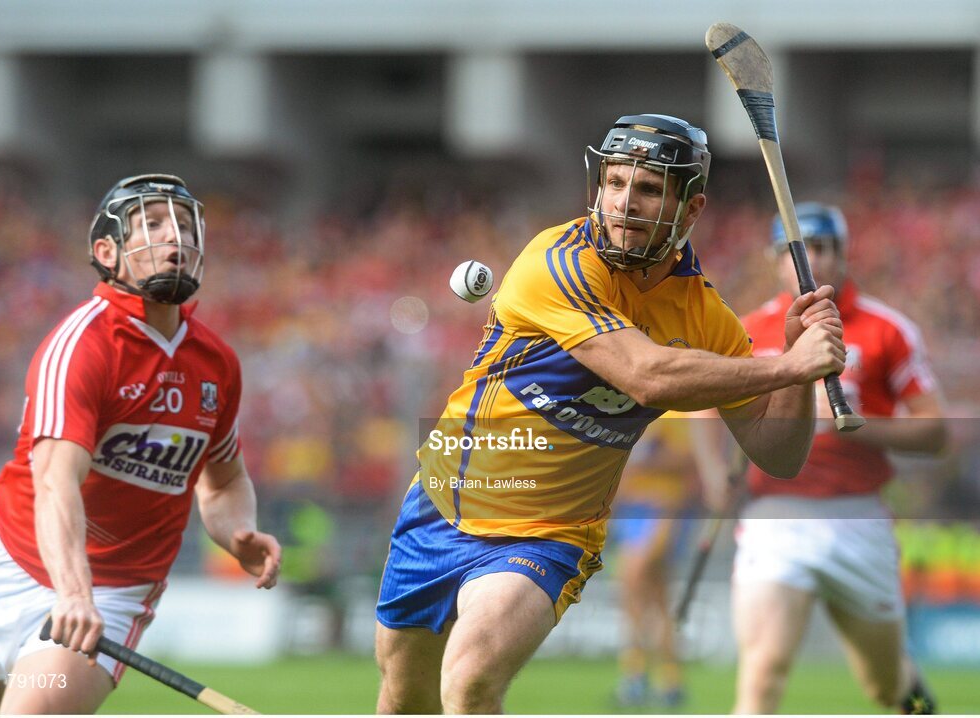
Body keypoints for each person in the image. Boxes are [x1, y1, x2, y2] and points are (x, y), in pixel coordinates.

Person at [373, 114, 848, 714]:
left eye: (648, 189)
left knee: (469, 681)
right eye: (615, 182)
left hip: (550, 536)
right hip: (440, 506)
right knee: (403, 701)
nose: (624, 202)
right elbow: (645, 376)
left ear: (691, 208)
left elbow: (778, 454)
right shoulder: (556, 261)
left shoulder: (706, 318)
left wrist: (799, 372)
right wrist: (786, 366)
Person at [0, 174, 281, 715]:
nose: (175, 237)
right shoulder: (83, 344)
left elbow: (223, 479)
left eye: (184, 226)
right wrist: (71, 590)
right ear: (107, 253)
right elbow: (55, 481)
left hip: (110, 592)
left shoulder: (217, 362)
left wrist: (236, 532)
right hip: (3, 566)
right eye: (152, 224)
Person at [730, 202, 946, 714]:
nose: (813, 261)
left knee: (886, 686)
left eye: (825, 247)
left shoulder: (887, 329)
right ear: (775, 260)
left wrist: (856, 425)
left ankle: (910, 690)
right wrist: (719, 470)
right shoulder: (746, 330)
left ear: (844, 254)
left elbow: (936, 432)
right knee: (763, 669)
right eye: (798, 251)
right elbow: (709, 406)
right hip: (775, 518)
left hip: (857, 518)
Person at [611, 412, 723, 709]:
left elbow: (687, 457)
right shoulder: (632, 407)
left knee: (633, 578)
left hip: (664, 508)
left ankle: (638, 676)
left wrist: (640, 460)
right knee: (652, 597)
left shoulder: (677, 412)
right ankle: (665, 680)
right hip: (632, 508)